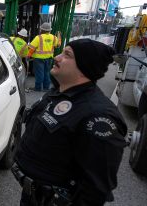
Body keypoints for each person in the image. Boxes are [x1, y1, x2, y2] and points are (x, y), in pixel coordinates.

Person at [13, 39, 127, 206]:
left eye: (67, 55)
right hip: (34, 197)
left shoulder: (98, 116)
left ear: (84, 66)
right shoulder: (58, 93)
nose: (57, 58)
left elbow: (96, 188)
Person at [27, 23, 61, 92]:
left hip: (38, 59)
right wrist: (59, 37)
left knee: (39, 73)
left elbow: (31, 48)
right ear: (49, 30)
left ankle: (38, 88)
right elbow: (58, 45)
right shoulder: (54, 37)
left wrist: (28, 56)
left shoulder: (38, 37)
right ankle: (46, 88)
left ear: (41, 29)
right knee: (47, 72)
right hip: (49, 58)